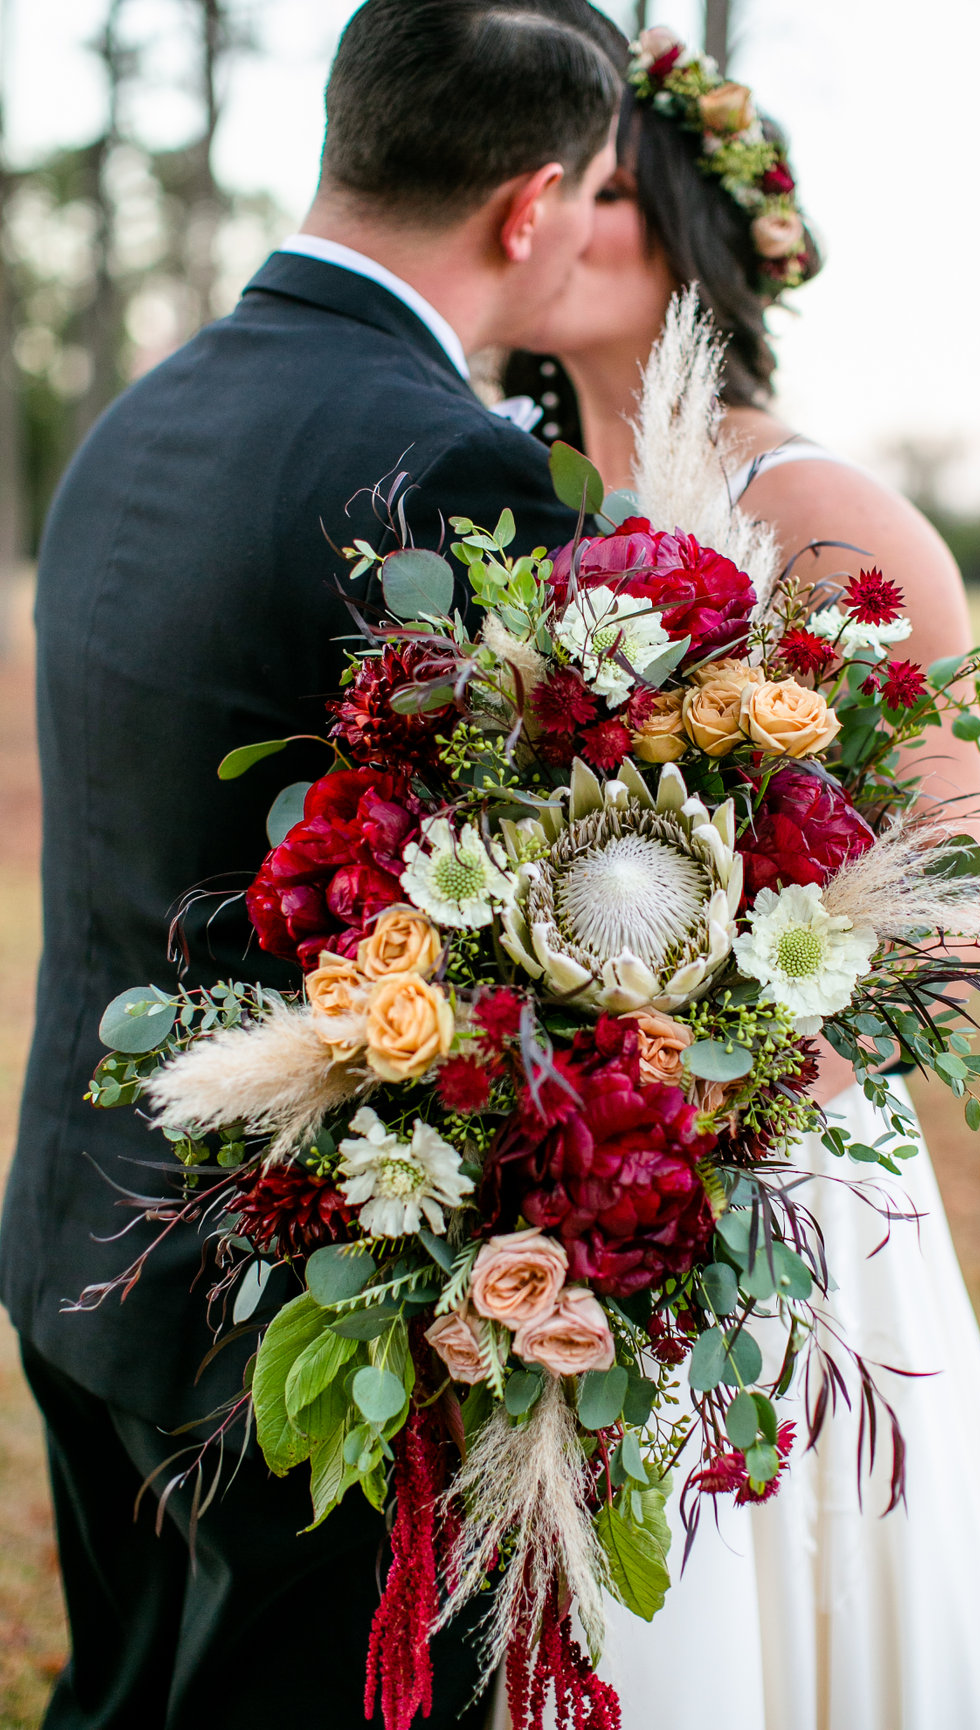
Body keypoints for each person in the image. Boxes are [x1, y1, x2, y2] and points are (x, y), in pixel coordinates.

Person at [499, 27, 980, 1730]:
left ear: (704, 236)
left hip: (765, 1163)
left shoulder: (821, 507)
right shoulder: (517, 505)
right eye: (562, 187)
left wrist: (707, 1106)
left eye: (618, 194)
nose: (567, 221)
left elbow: (965, 892)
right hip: (557, 1155)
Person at [0, 4, 626, 1726]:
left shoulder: (141, 415)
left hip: (76, 1231)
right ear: (532, 205)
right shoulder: (461, 466)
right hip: (288, 1320)